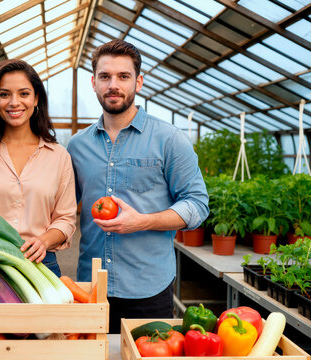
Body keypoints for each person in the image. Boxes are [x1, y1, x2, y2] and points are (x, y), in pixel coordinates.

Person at [67, 40, 209, 333]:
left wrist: (143, 221)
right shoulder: (77, 146)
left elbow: (197, 204)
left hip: (148, 288)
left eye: (123, 76)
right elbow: (64, 208)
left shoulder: (169, 139)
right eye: (105, 77)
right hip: (90, 287)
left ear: (139, 82)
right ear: (94, 83)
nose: (113, 85)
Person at [0, 59, 76, 277]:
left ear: (36, 98)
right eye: (5, 94)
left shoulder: (58, 156)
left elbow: (65, 219)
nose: (14, 102)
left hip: (41, 266)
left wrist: (43, 241)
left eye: (24, 94)